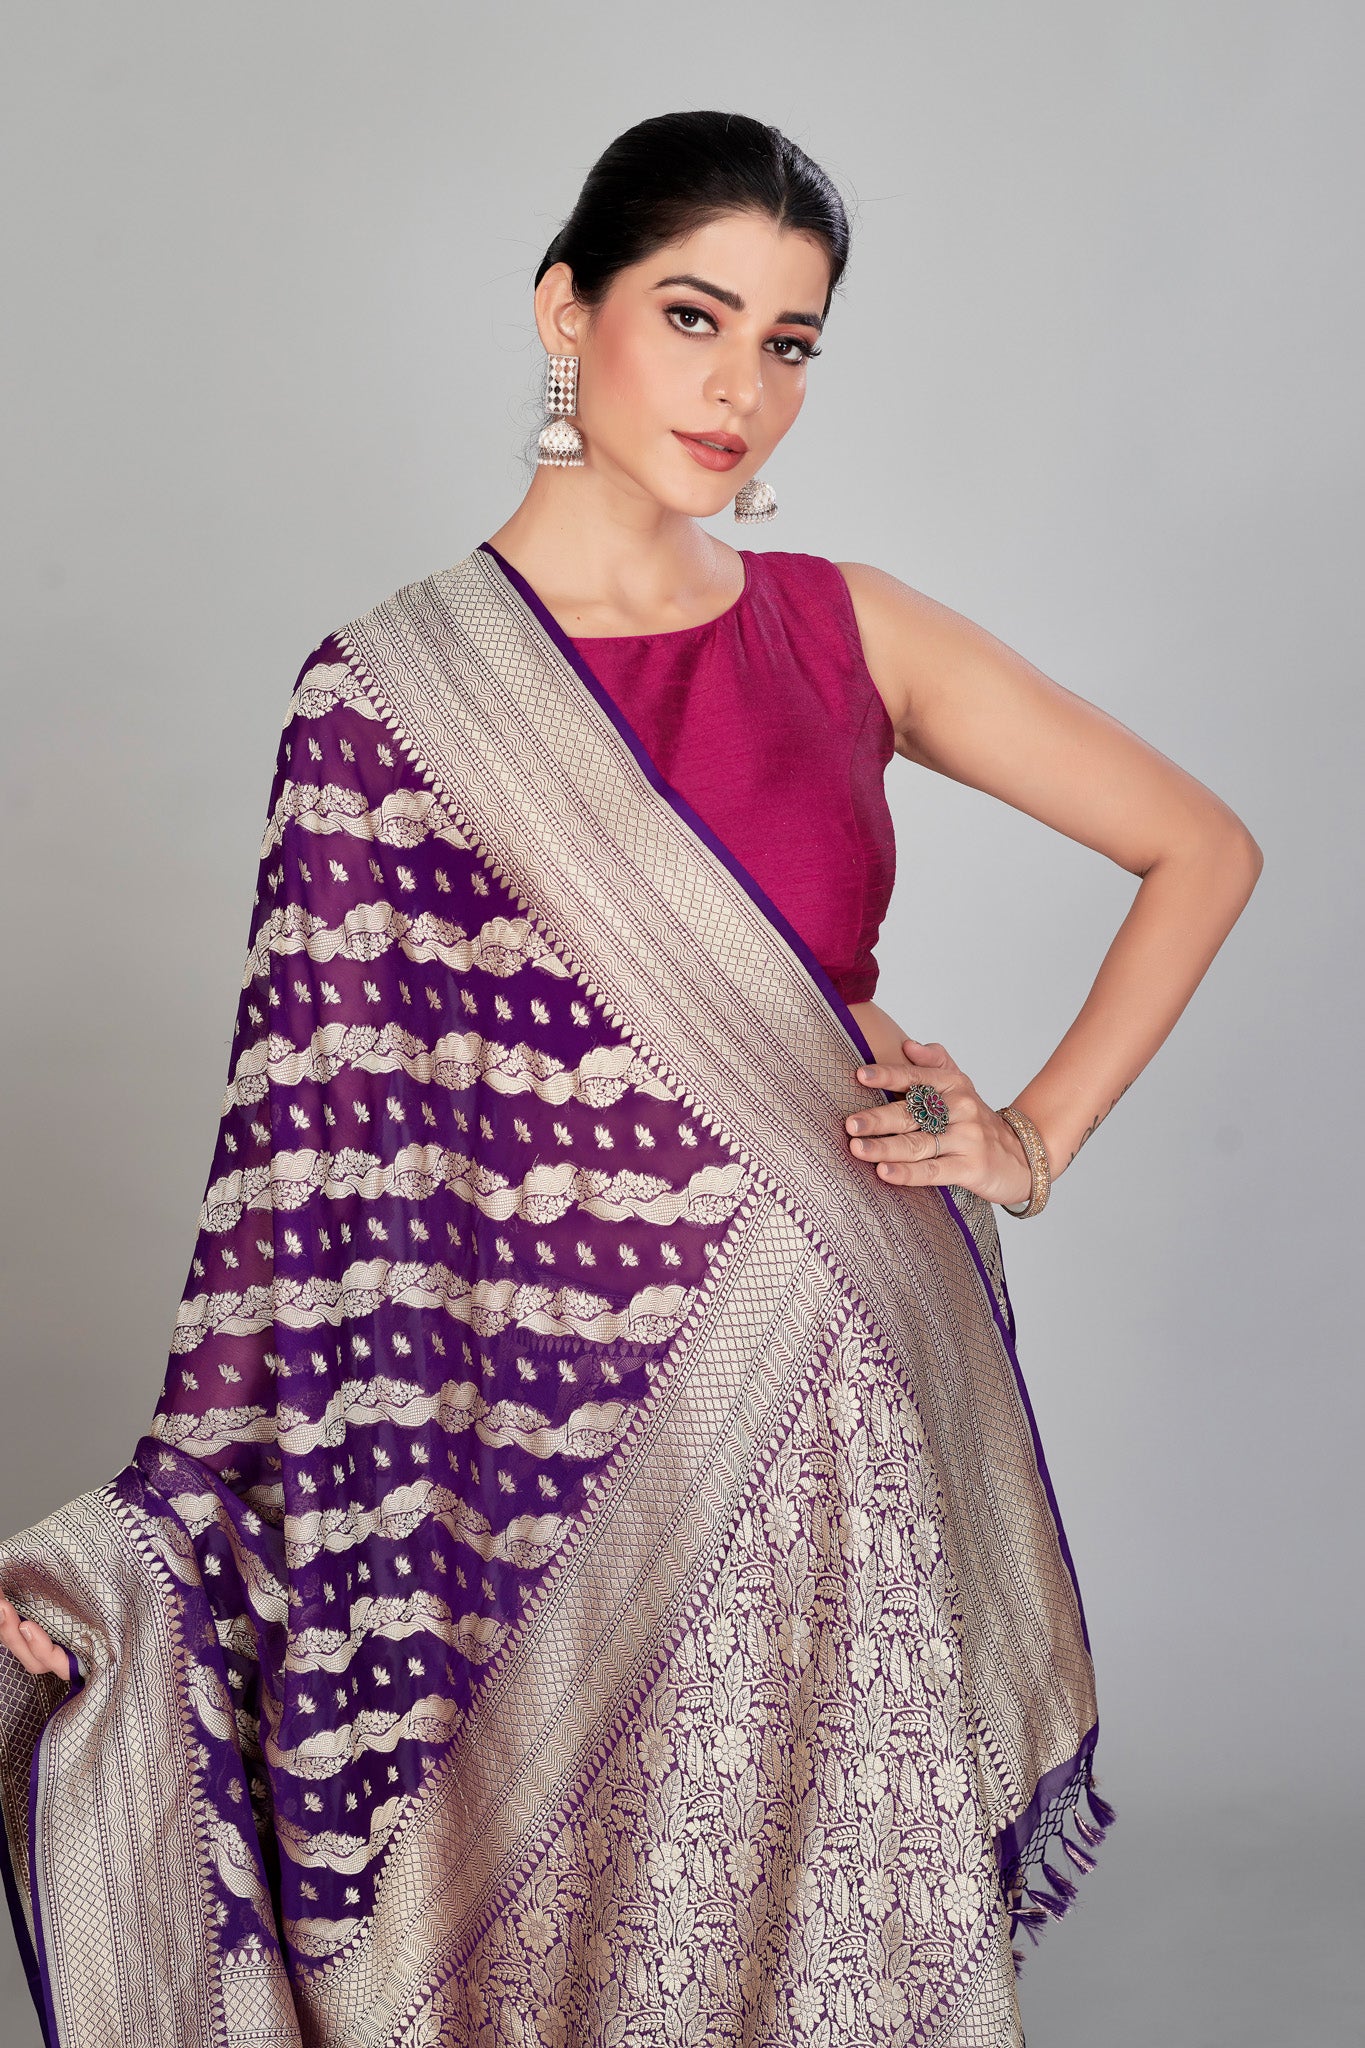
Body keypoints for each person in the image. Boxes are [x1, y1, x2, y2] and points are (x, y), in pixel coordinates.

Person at [0, 110, 1260, 2047]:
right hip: (524, 1500)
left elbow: (1199, 845)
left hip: (837, 1446)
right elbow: (296, 1219)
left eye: (788, 342)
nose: (739, 388)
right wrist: (126, 1556)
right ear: (561, 310)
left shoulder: (840, 630)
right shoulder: (383, 704)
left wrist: (1025, 1138)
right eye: (691, 315)